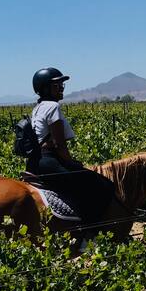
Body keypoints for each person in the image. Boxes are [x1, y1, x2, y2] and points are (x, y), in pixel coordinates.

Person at [27, 67, 115, 224]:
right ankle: (90, 230)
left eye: (62, 85)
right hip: (50, 161)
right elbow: (59, 145)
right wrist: (71, 162)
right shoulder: (53, 107)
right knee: (103, 186)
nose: (61, 88)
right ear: (45, 88)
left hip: (36, 162)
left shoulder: (37, 108)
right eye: (57, 85)